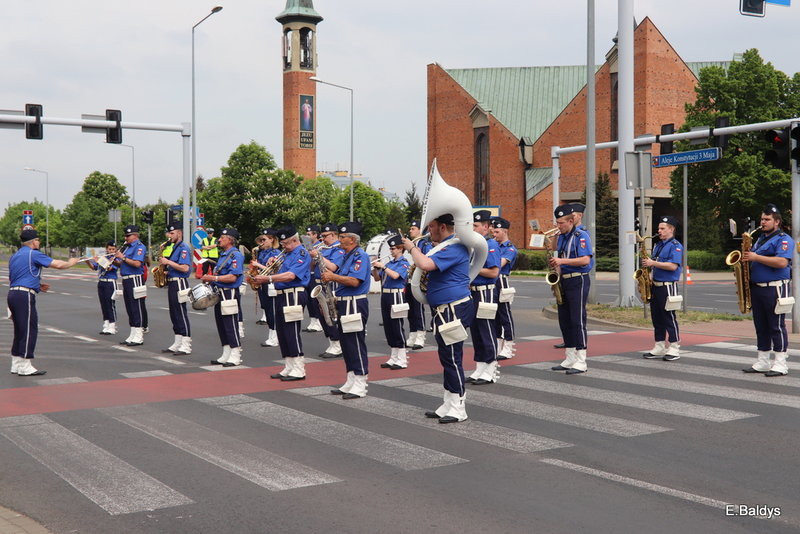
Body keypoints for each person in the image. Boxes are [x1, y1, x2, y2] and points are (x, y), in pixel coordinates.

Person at [402, 214, 473, 423]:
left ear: (443, 227)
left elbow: (425, 264)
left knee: (452, 358)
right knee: (446, 357)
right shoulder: (445, 247)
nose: (428, 231)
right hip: (444, 308)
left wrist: (411, 248)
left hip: (452, 309)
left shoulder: (454, 247)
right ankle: (448, 402)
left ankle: (459, 406)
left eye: (431, 227)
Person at [7, 229, 80, 376]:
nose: (39, 242)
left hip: (13, 293)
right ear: (33, 241)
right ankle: (25, 364)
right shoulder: (33, 253)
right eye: (38, 240)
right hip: (24, 295)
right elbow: (58, 264)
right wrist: (71, 262)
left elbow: (19, 275)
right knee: (29, 329)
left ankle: (16, 363)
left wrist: (38, 285)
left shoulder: (15, 256)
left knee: (19, 329)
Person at [742, 204, 795, 377]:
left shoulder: (784, 239)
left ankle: (780, 364)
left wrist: (756, 257)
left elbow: (782, 262)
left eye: (767, 219)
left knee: (776, 326)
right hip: (758, 288)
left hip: (776, 288)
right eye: (762, 219)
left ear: (777, 222)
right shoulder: (760, 239)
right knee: (761, 326)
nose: (763, 222)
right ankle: (763, 361)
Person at [322, 221, 372, 398]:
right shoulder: (346, 255)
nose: (340, 240)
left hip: (355, 303)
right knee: (346, 343)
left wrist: (333, 277)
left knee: (356, 343)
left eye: (342, 237)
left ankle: (360, 382)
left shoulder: (361, 256)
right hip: (345, 302)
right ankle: (351, 378)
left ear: (352, 239)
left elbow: (354, 281)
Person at [255, 226, 311, 381]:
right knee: (282, 332)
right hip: (281, 294)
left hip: (293, 294)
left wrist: (268, 279)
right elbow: (281, 273)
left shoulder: (301, 253)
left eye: (286, 243)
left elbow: (290, 275)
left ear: (294, 240)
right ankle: (289, 366)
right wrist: (273, 267)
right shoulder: (286, 254)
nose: (283, 246)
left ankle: (299, 369)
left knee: (291, 331)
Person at [549, 204, 594, 375]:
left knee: (577, 319)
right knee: (565, 320)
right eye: (557, 222)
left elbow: (585, 260)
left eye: (561, 223)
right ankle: (569, 357)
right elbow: (556, 251)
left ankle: (581, 360)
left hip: (578, 280)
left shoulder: (581, 236)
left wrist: (562, 262)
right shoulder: (561, 236)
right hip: (564, 280)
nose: (558, 226)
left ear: (570, 221)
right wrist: (556, 265)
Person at [467, 210, 501, 385]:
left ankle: (491, 367)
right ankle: (480, 366)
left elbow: (494, 272)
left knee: (487, 329)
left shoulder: (490, 245)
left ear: (486, 227)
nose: (472, 228)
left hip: (486, 291)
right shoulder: (475, 247)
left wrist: (473, 268)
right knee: (476, 330)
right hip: (474, 291)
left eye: (476, 225)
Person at [642, 216, 683, 361]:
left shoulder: (675, 245)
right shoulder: (658, 245)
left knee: (669, 317)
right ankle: (659, 346)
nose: (658, 231)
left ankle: (674, 347)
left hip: (668, 286)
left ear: (671, 229)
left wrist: (653, 263)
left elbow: (672, 266)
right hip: (656, 285)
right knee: (657, 317)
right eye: (659, 228)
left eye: (662, 228)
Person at [202, 228, 245, 366]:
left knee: (230, 324)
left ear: (230, 240)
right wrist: (211, 279)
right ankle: (226, 352)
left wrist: (214, 277)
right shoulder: (223, 254)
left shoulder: (235, 255)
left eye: (222, 237)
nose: (219, 240)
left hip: (229, 293)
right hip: (220, 292)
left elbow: (233, 277)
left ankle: (236, 354)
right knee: (221, 324)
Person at [372, 234, 410, 369]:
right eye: (391, 249)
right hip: (386, 295)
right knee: (388, 326)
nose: (391, 251)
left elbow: (395, 276)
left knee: (397, 326)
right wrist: (375, 268)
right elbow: (377, 279)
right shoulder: (389, 263)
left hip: (397, 295)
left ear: (400, 249)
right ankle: (393, 357)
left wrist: (383, 267)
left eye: (393, 248)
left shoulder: (404, 262)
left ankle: (402, 359)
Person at [311, 223, 347, 358]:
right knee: (321, 315)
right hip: (319, 284)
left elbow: (332, 267)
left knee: (331, 315)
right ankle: (332, 341)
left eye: (325, 236)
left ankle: (337, 343)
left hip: (330, 285)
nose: (323, 239)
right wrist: (312, 256)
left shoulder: (339, 249)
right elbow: (311, 268)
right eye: (322, 236)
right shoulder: (324, 248)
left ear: (333, 235)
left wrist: (318, 255)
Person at [159, 222, 193, 355]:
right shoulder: (175, 247)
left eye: (172, 233)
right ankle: (177, 341)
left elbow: (185, 268)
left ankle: (186, 344)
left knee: (180, 313)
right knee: (174, 313)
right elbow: (176, 266)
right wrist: (166, 271)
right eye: (169, 233)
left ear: (179, 233)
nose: (169, 235)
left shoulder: (183, 247)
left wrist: (168, 262)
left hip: (180, 282)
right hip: (173, 281)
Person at [115, 225, 148, 346]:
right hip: (126, 279)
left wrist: (122, 257)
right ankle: (133, 333)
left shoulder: (139, 247)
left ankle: (139, 335)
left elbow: (137, 263)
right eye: (125, 235)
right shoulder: (127, 247)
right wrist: (114, 260)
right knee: (129, 307)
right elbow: (123, 264)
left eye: (128, 235)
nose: (126, 237)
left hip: (135, 279)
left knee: (137, 307)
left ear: (135, 235)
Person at [492, 217, 518, 360]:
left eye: (497, 232)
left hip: (501, 281)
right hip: (492, 281)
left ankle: (508, 346)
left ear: (505, 231)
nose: (494, 234)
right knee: (494, 315)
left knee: (505, 315)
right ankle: (497, 344)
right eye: (493, 232)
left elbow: (498, 264)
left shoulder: (509, 248)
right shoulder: (494, 246)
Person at [251, 228, 281, 347]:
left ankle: (275, 336)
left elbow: (274, 270)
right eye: (260, 240)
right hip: (262, 283)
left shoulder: (276, 253)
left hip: (271, 283)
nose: (261, 242)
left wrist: (257, 265)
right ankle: (271, 334)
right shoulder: (262, 252)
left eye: (264, 239)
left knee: (272, 310)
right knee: (267, 309)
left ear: (272, 239)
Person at [405, 220, 432, 349]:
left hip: (419, 279)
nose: (411, 231)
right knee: (410, 309)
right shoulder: (412, 243)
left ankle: (421, 335)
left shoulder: (425, 243)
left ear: (420, 231)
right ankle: (413, 333)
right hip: (410, 278)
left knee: (418, 309)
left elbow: (426, 259)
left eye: (413, 228)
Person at [85, 241, 119, 335]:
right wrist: (87, 261)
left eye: (113, 249)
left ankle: (112, 326)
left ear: (116, 249)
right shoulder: (103, 257)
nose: (111, 250)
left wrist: (99, 260)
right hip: (101, 282)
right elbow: (94, 267)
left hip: (110, 283)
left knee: (110, 304)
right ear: (106, 249)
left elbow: (109, 268)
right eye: (109, 249)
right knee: (103, 304)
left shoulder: (116, 259)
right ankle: (106, 324)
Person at [304, 224, 324, 333]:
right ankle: (312, 321)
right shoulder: (307, 247)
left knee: (316, 299)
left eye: (309, 235)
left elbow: (314, 263)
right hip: (308, 274)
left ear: (315, 235)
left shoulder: (319, 246)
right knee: (309, 300)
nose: (307, 237)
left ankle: (318, 322)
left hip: (315, 274)